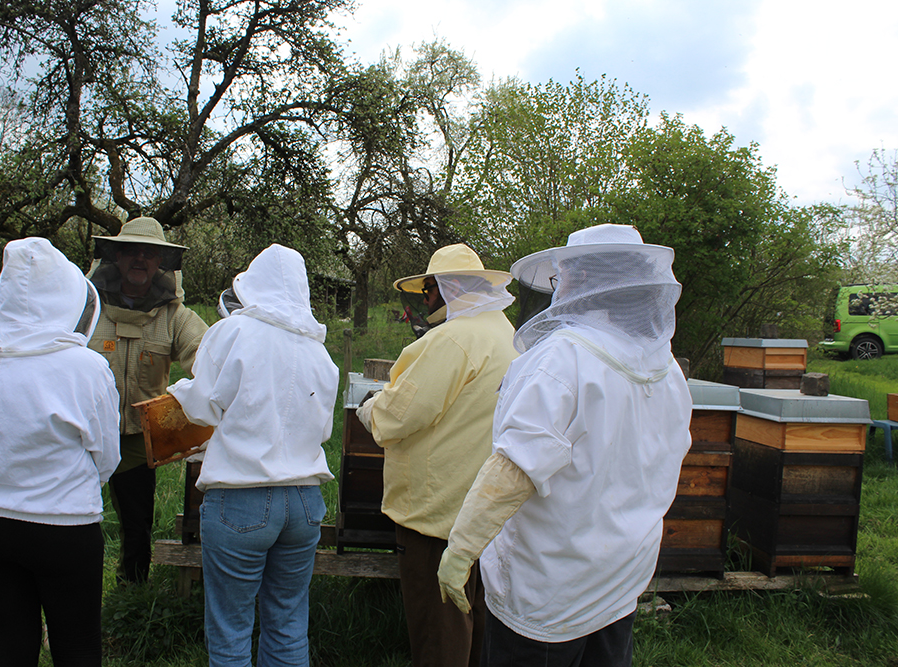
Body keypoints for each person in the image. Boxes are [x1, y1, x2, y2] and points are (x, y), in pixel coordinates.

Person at [436, 224, 693, 667]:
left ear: (581, 280)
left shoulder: (561, 358)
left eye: (561, 277)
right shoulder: (667, 368)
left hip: (547, 591)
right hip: (620, 577)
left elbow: (512, 471)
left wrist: (460, 550)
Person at [0, 237, 121, 665]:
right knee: (76, 649)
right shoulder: (84, 367)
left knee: (8, 648)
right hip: (61, 529)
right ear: (66, 296)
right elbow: (107, 456)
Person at [168, 243, 338, 667]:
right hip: (304, 502)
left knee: (231, 630)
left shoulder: (233, 331)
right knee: (288, 624)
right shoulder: (319, 351)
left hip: (241, 501)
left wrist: (180, 391)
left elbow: (204, 406)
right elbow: (324, 430)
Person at [355, 243, 518, 667]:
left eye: (429, 288)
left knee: (439, 641)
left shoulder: (453, 339)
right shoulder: (506, 333)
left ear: (447, 288)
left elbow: (395, 417)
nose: (425, 298)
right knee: (479, 634)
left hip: (436, 519)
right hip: (485, 517)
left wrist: (370, 405)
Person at [87, 216, 209, 583]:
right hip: (84, 434)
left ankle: (131, 591)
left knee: (136, 522)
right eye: (131, 251)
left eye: (149, 253)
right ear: (116, 257)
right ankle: (76, 588)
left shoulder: (174, 317)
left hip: (139, 442)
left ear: (161, 263)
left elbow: (210, 355)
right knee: (74, 517)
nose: (140, 259)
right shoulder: (86, 309)